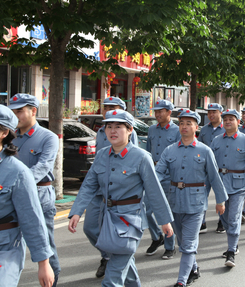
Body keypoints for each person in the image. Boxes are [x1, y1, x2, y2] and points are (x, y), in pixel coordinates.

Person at [68, 109, 174, 287]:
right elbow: (89, 185)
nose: (112, 131)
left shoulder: (141, 157)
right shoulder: (102, 155)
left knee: (112, 279)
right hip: (107, 217)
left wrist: (164, 220)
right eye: (109, 126)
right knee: (126, 268)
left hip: (129, 221)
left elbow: (154, 190)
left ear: (130, 130)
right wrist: (77, 211)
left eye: (118, 126)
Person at [0, 104, 54, 287]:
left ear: (4, 133)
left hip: (0, 252)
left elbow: (32, 220)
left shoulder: (17, 172)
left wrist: (44, 264)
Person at [156, 110, 228, 286]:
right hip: (174, 202)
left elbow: (214, 177)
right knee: (183, 243)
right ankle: (193, 268)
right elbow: (157, 174)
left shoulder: (205, 151)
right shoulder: (169, 151)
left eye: (189, 123)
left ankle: (181, 281)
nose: (184, 127)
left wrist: (220, 200)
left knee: (188, 245)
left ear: (196, 127)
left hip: (196, 204)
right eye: (181, 123)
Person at [8, 93, 61, 285]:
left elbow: (43, 166)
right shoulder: (8, 136)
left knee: (44, 243)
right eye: (13, 111)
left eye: (20, 111)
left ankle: (52, 279)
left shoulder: (48, 137)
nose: (16, 115)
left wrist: (18, 184)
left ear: (33, 111)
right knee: (11, 243)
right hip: (11, 197)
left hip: (40, 196)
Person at [85, 96, 138, 277]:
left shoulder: (129, 131)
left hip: (120, 194)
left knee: (120, 236)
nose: (107, 109)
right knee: (90, 228)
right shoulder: (101, 131)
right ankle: (107, 256)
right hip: (99, 190)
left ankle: (113, 259)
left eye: (112, 107)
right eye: (106, 107)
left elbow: (132, 162)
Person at [211, 109, 245, 263]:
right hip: (220, 185)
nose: (228, 122)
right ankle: (233, 242)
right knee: (223, 216)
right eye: (225, 119)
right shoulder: (216, 140)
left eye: (231, 119)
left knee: (234, 218)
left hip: (239, 185)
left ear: (238, 122)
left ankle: (231, 250)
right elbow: (210, 165)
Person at [145, 99, 181, 258]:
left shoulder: (177, 131)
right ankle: (156, 236)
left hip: (169, 175)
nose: (157, 114)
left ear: (169, 112)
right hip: (153, 174)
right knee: (145, 209)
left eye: (161, 111)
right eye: (156, 111)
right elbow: (147, 152)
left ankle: (169, 245)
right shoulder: (152, 130)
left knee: (167, 211)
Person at [197, 103, 226, 234]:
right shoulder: (204, 130)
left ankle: (222, 220)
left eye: (214, 112)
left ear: (220, 113)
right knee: (202, 194)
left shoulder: (226, 128)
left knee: (222, 194)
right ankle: (201, 222)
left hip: (221, 168)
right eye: (209, 112)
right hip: (204, 168)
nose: (211, 115)